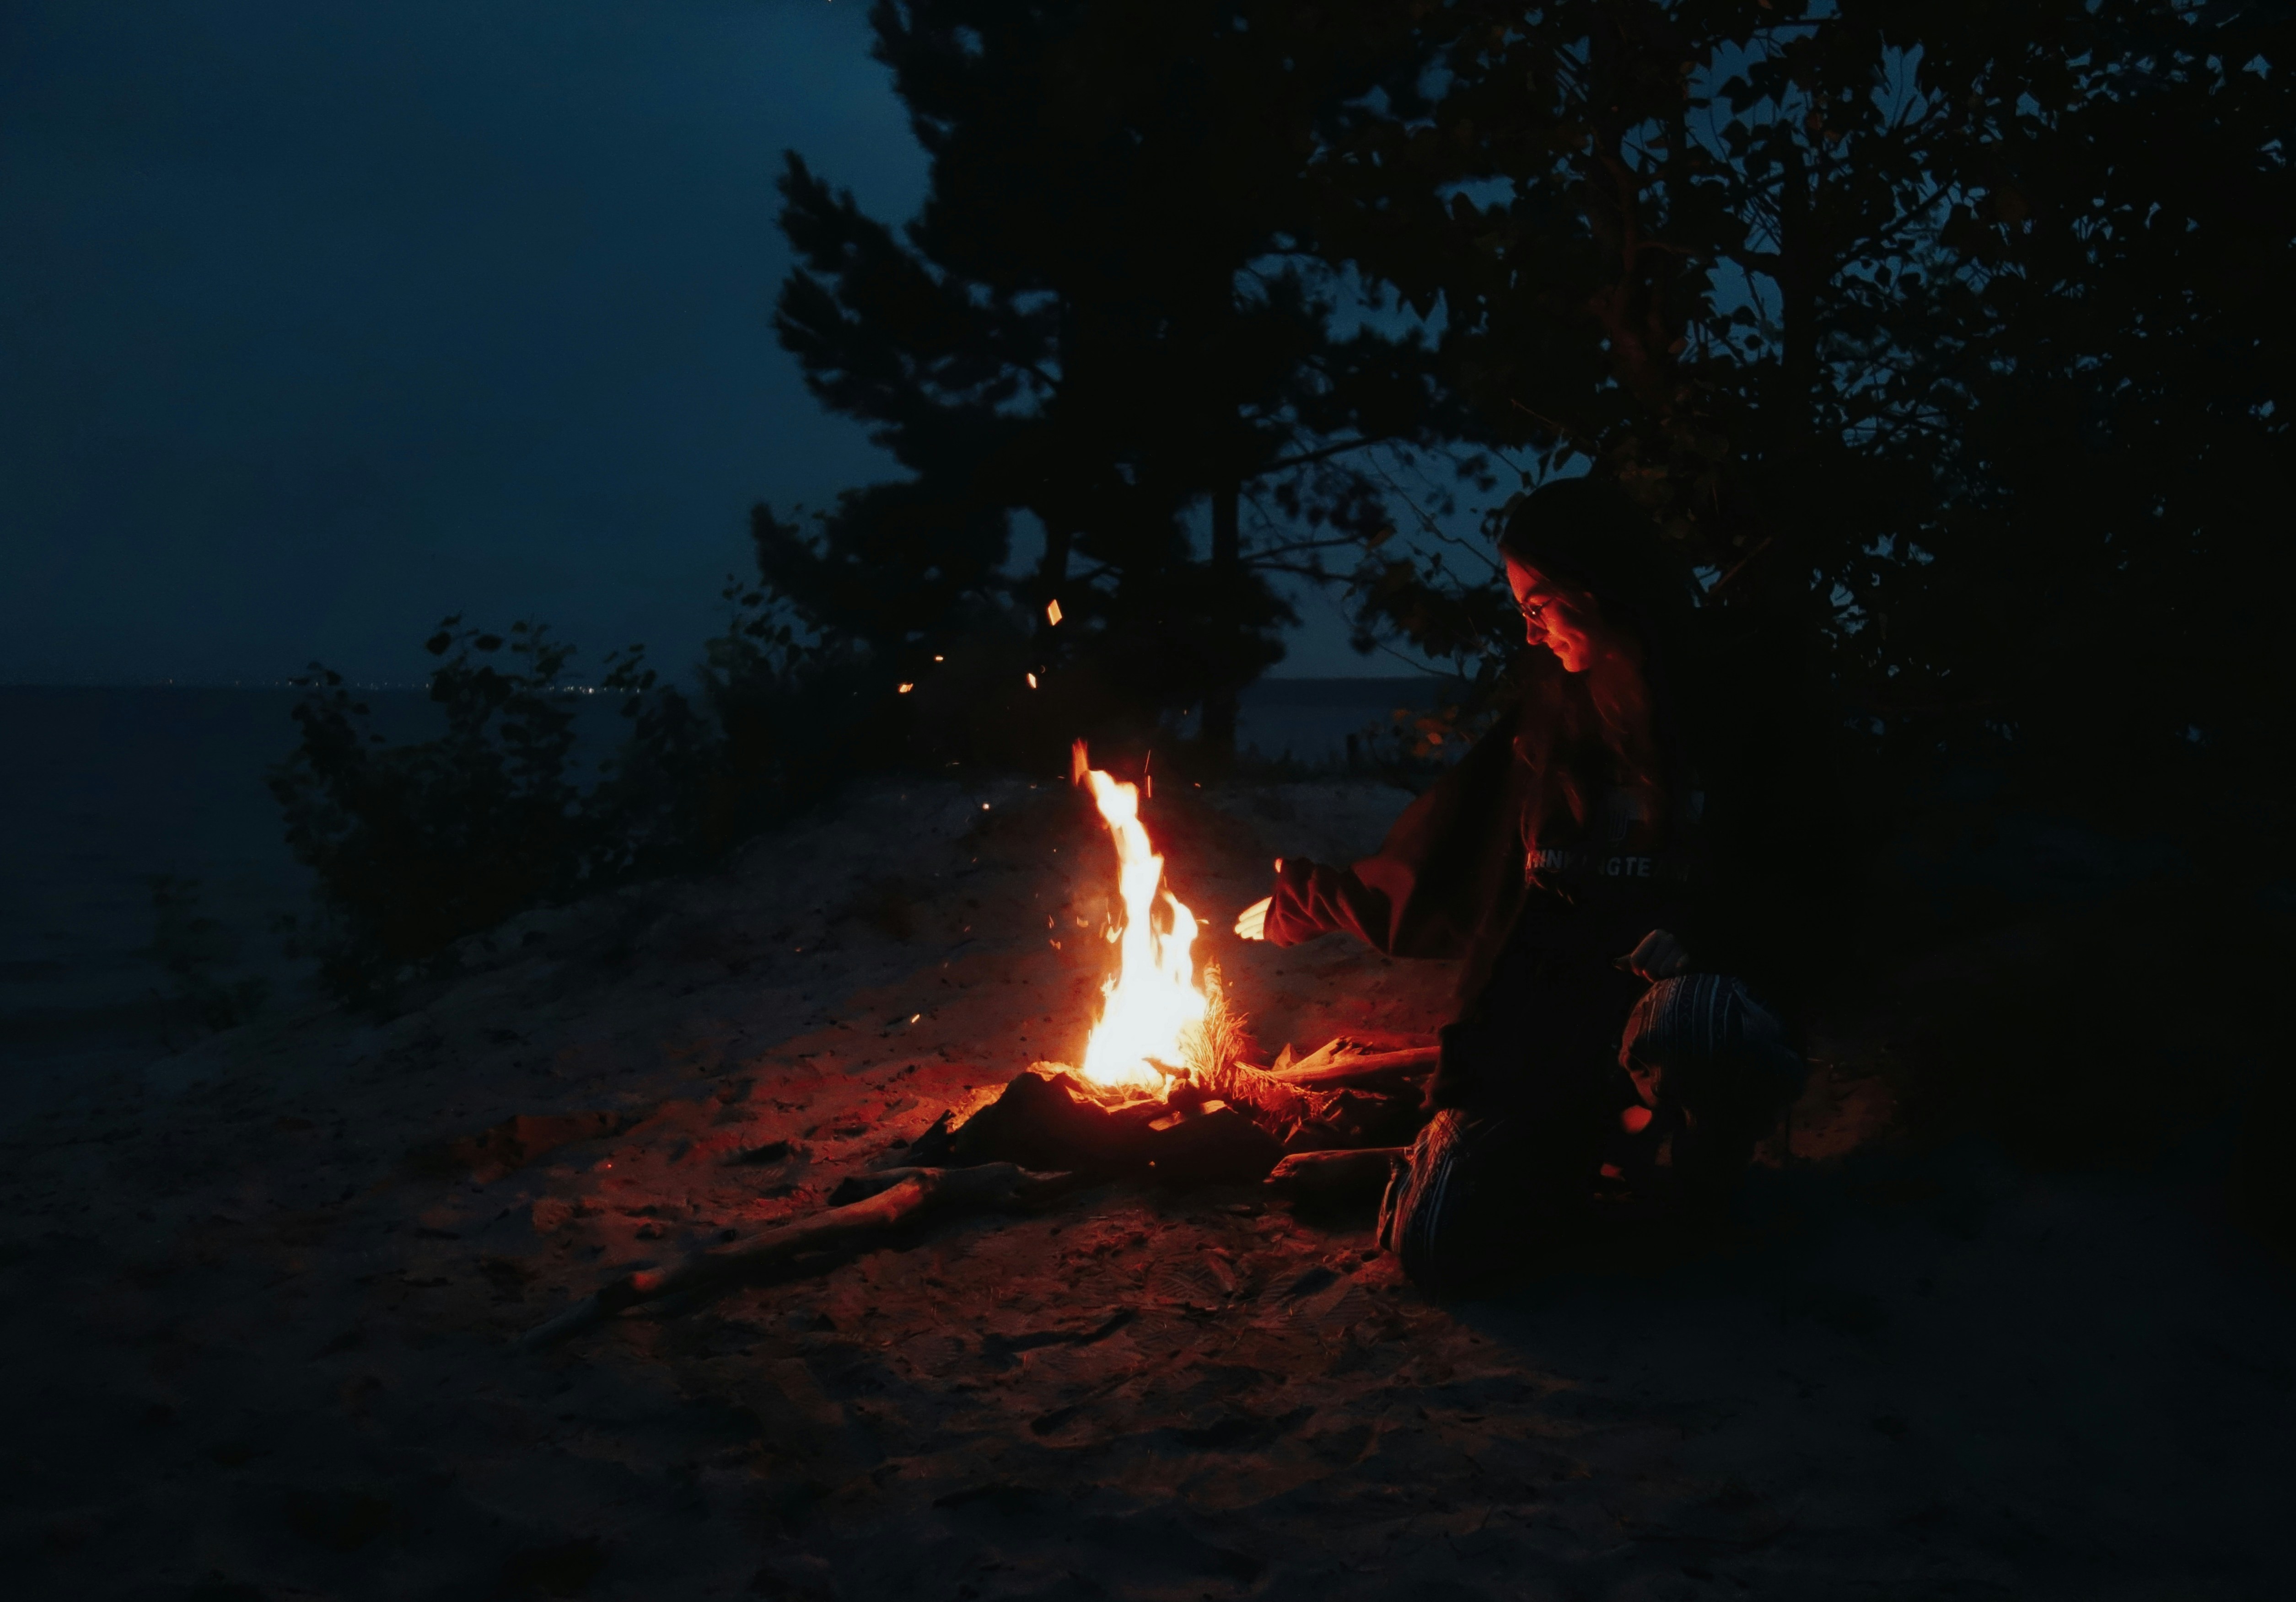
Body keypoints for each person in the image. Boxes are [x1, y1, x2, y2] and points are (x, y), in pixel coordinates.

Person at [1234, 478, 1799, 1295]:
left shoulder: (1739, 710)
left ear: (1596, 592)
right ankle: (1570, 1172)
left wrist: (1712, 940)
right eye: (1521, 609)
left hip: (1690, 1022)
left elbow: (1808, 873)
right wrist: (1307, 903)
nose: (1528, 629)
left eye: (1538, 604)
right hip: (1555, 1046)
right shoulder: (1550, 723)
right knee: (1440, 1240)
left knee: (1694, 1016)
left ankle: (1698, 1167)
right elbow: (1450, 871)